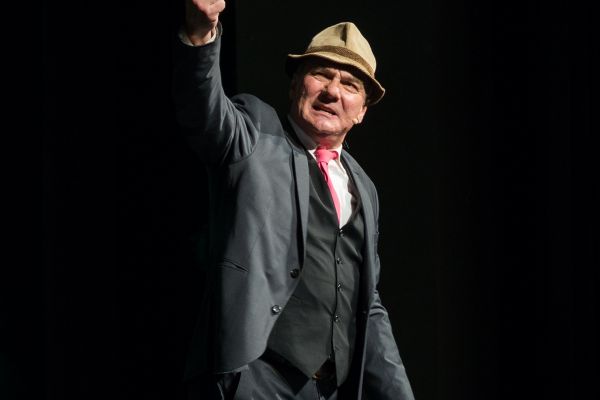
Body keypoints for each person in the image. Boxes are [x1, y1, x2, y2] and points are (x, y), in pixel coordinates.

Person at [173, 1, 415, 399]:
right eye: (321, 74)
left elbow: (367, 303)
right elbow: (204, 110)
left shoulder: (364, 188)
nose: (332, 91)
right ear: (295, 85)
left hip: (327, 389)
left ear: (362, 111)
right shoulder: (255, 132)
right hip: (254, 377)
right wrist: (201, 35)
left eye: (349, 85)